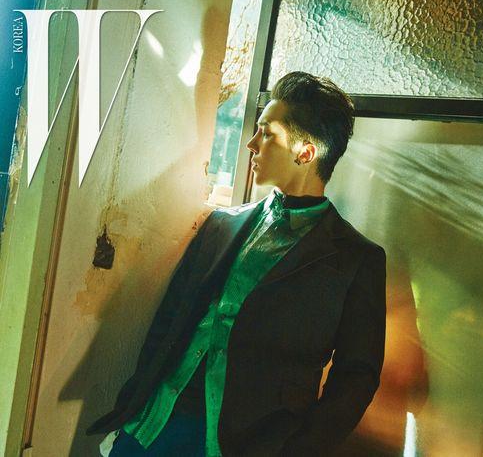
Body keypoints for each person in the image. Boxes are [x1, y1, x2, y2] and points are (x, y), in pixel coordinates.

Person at [87, 71, 387, 456]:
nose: (251, 143)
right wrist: (133, 405)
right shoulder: (222, 224)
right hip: (151, 425)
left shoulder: (355, 259)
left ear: (305, 153)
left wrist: (299, 450)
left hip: (246, 443)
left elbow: (356, 379)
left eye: (267, 133)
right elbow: (169, 320)